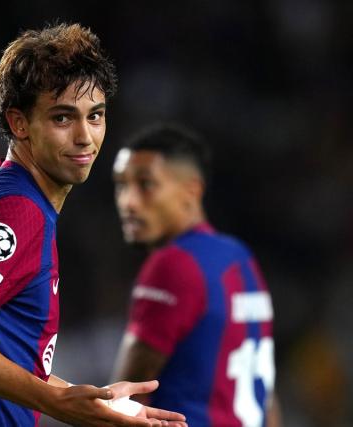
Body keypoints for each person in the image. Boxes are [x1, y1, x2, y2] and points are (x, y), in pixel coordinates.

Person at [0, 24, 187, 427]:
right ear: (19, 123)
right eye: (62, 118)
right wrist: (58, 405)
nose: (85, 136)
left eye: (96, 116)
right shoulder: (18, 211)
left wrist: (93, 404)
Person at [110, 123, 283, 427]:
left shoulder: (173, 264)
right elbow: (266, 396)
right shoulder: (239, 257)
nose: (128, 201)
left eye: (145, 184)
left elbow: (123, 403)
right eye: (121, 185)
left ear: (192, 190)